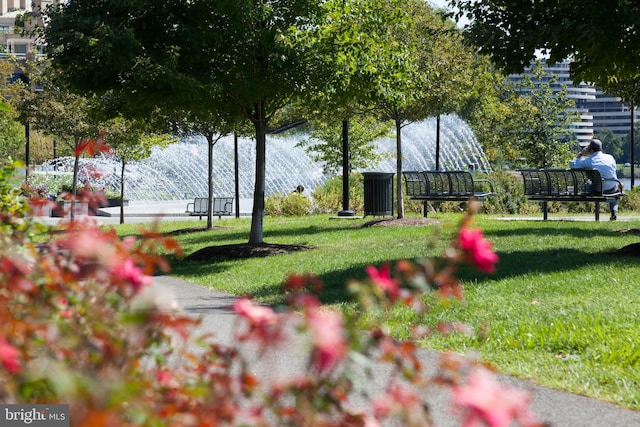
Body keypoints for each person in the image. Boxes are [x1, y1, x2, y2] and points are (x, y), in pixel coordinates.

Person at [569, 139, 622, 220]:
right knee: (616, 192)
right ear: (600, 148)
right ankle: (614, 212)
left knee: (586, 185)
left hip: (597, 188)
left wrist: (581, 154)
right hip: (612, 186)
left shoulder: (589, 161)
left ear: (590, 149)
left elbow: (573, 165)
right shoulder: (610, 158)